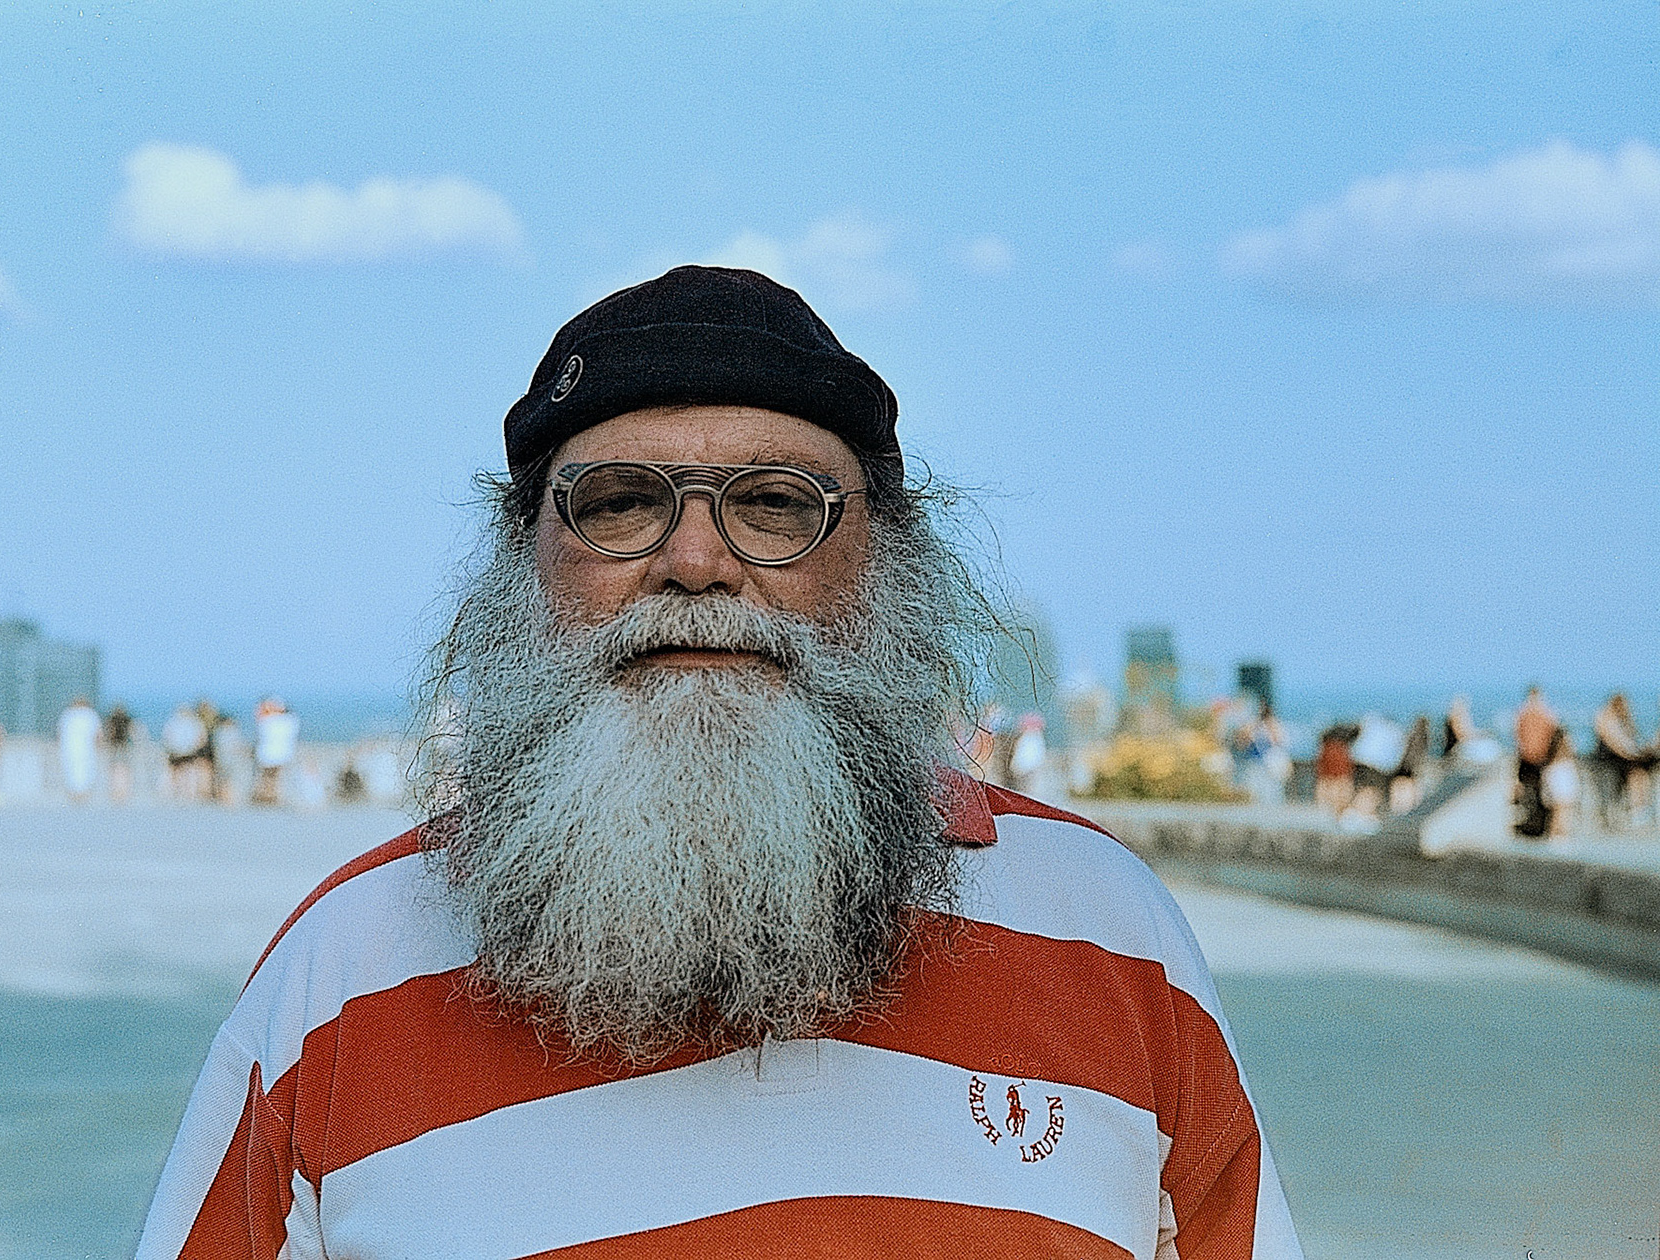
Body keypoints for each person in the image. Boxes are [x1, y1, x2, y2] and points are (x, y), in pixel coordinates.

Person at [137, 266, 1300, 1259]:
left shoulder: (1111, 932)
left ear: (886, 564)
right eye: (619, 503)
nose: (695, 560)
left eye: (777, 506)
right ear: (524, 561)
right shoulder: (340, 973)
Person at [1592, 693, 1652, 827]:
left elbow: (1628, 741)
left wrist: (1635, 753)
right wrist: (1631, 755)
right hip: (1609, 760)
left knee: (1639, 774)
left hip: (1619, 757)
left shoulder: (1621, 720)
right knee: (1636, 774)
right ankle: (1638, 810)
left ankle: (1640, 808)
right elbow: (1614, 743)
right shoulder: (1606, 718)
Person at [1513, 686, 1557, 839]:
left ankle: (1529, 826)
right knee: (1541, 795)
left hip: (1526, 758)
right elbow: (1553, 733)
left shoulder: (1522, 713)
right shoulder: (1545, 713)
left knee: (1527, 793)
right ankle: (1538, 826)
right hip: (1541, 758)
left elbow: (1518, 736)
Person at [252, 696, 300, 805]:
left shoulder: (272, 721)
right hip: (279, 754)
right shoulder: (288, 720)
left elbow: (262, 730)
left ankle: (268, 796)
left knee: (268, 776)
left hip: (270, 753)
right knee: (272, 777)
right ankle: (269, 795)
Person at [58, 697, 102, 804]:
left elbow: (60, 732)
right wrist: (99, 745)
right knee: (85, 769)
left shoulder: (68, 714)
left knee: (72, 769)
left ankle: (75, 793)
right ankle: (82, 793)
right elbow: (98, 733)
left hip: (70, 748)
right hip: (85, 748)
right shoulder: (90, 714)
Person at [1542, 727, 1581, 839]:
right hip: (1560, 784)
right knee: (1560, 812)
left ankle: (1559, 836)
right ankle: (1557, 837)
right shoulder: (1557, 766)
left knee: (1563, 813)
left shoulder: (1563, 763)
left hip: (1563, 784)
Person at [106, 703, 137, 804]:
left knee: (116, 767)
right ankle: (122, 791)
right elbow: (133, 731)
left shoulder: (113, 719)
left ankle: (117, 791)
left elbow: (110, 731)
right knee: (123, 767)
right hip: (123, 745)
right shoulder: (126, 719)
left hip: (117, 745)